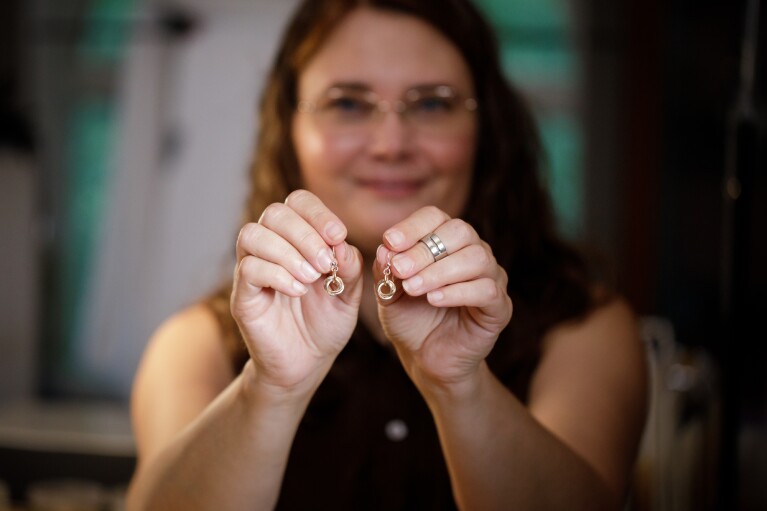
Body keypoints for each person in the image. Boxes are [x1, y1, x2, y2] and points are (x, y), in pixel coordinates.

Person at [126, 0, 648, 509]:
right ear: (290, 129)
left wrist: (460, 385)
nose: (390, 143)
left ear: (485, 128)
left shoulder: (586, 330)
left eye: (432, 103)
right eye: (348, 104)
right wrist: (270, 390)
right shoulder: (194, 345)